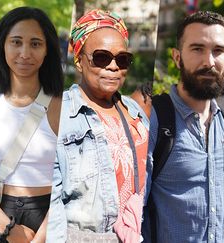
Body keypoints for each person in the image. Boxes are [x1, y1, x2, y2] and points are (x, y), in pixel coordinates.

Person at [47, 9, 149, 242]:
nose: (113, 66)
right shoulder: (58, 114)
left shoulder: (135, 111)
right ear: (79, 60)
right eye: (102, 57)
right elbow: (50, 205)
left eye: (122, 60)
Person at [0, 6, 63, 243]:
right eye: (16, 42)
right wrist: (9, 229)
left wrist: (42, 237)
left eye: (36, 44)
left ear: (48, 49)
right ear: (2, 45)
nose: (25, 53)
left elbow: (72, 182)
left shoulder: (63, 105)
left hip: (47, 216)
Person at [142, 11, 224, 242]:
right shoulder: (154, 121)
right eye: (197, 49)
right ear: (177, 57)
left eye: (218, 51)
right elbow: (129, 214)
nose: (209, 62)